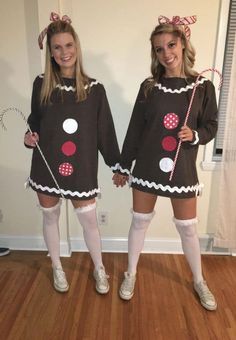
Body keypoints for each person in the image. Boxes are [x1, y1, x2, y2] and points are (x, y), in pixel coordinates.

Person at [113, 15, 218, 311]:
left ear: (183, 44)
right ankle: (130, 273)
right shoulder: (149, 87)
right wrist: (123, 165)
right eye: (159, 49)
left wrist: (195, 134)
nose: (166, 53)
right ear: (155, 54)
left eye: (171, 44)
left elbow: (211, 125)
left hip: (181, 168)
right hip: (146, 167)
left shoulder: (202, 86)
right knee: (139, 222)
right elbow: (135, 129)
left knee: (187, 228)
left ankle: (199, 280)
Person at [24, 12, 120, 294]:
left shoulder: (95, 89)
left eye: (68, 45)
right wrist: (30, 137)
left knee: (89, 220)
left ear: (76, 47)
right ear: (51, 53)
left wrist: (117, 165)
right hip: (46, 163)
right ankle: (56, 266)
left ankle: (99, 268)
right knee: (50, 217)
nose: (63, 52)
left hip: (81, 167)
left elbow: (105, 131)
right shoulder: (41, 84)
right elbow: (35, 121)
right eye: (57, 47)